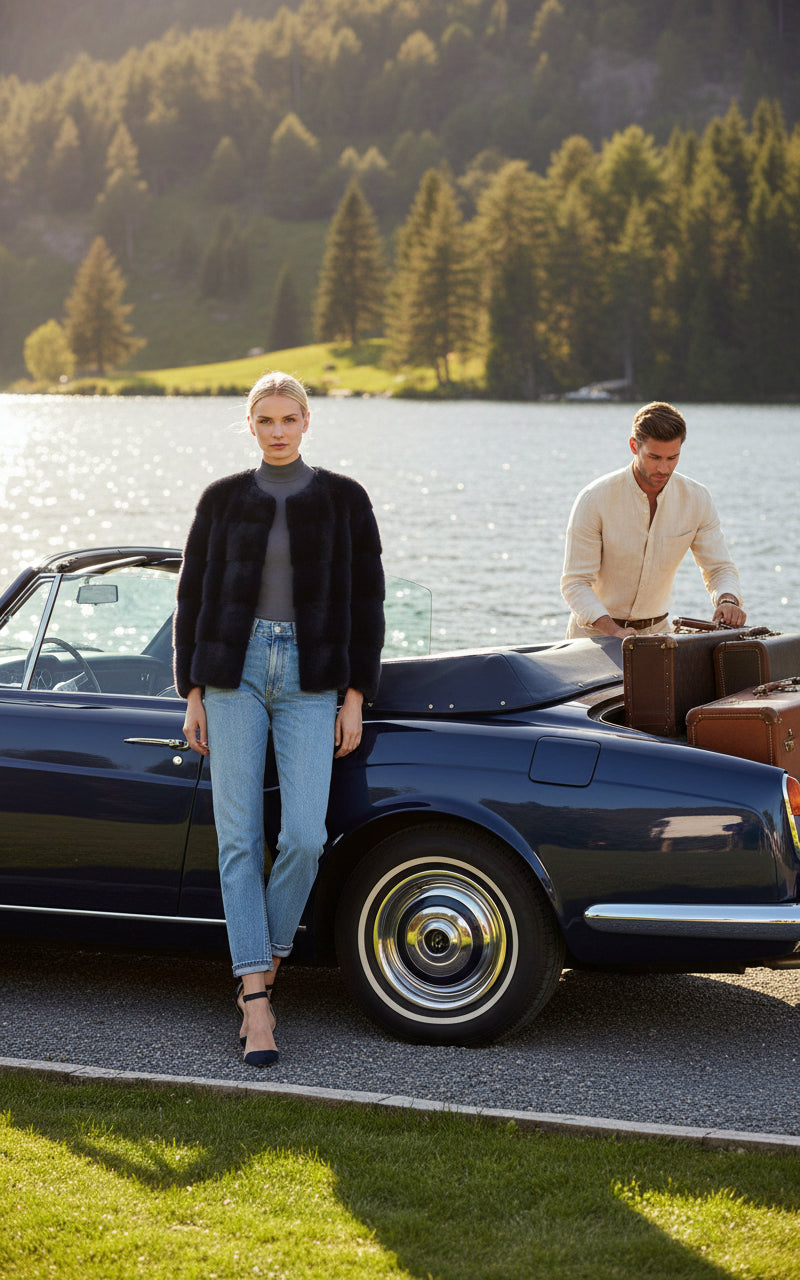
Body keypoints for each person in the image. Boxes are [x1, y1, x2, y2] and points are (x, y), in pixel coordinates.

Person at [173, 371, 384, 1067]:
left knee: (303, 836)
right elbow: (193, 595)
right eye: (264, 420)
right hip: (230, 673)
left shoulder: (347, 500)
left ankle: (265, 955)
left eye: (288, 418)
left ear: (307, 421)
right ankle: (256, 998)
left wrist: (355, 693)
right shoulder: (221, 498)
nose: (277, 431)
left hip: (310, 677)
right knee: (238, 839)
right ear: (251, 425)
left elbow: (367, 604)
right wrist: (192, 692)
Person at [560, 401, 746, 639]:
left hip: (657, 635)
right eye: (654, 457)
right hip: (593, 636)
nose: (663, 468)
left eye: (673, 457)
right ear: (633, 446)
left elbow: (719, 568)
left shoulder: (697, 498)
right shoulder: (594, 499)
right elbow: (575, 583)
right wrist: (613, 630)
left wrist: (728, 600)